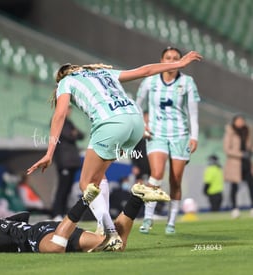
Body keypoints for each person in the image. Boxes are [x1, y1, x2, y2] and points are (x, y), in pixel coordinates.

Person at [27, 50, 202, 249]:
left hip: (110, 123)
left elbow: (59, 115)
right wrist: (178, 64)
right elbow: (145, 71)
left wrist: (49, 152)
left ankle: (110, 234)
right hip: (136, 122)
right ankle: (106, 228)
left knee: (86, 183)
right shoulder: (102, 73)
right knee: (99, 177)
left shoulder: (66, 82)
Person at [0, 185, 145, 253]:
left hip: (38, 236)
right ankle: (136, 199)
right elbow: (24, 216)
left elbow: (4, 240)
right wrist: (9, 223)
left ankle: (84, 201)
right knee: (116, 245)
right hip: (48, 227)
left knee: (55, 248)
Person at [135, 47, 201, 234]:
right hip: (156, 134)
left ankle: (171, 221)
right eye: (168, 58)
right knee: (156, 173)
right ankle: (148, 218)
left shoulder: (188, 82)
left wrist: (194, 136)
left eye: (175, 58)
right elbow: (137, 105)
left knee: (175, 180)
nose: (171, 61)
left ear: (181, 61)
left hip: (180, 135)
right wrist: (143, 125)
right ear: (161, 60)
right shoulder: (150, 81)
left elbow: (193, 113)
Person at [51, 106, 84, 220]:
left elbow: (81, 135)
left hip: (72, 162)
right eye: (67, 109)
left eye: (70, 109)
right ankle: (56, 213)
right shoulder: (58, 120)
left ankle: (62, 212)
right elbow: (68, 135)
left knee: (68, 189)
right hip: (64, 161)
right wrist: (73, 133)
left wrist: (74, 133)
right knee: (62, 188)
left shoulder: (69, 122)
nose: (69, 111)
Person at [223, 114, 253, 218]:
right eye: (238, 120)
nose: (240, 122)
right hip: (235, 164)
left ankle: (252, 208)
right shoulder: (230, 132)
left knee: (251, 185)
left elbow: (250, 146)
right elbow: (227, 149)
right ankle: (235, 209)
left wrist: (249, 153)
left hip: (247, 163)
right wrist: (241, 154)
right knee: (234, 187)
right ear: (234, 122)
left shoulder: (248, 131)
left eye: (242, 120)